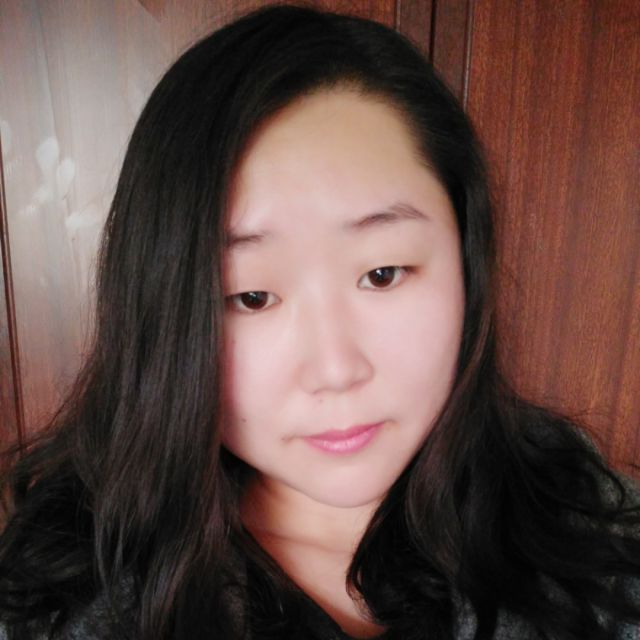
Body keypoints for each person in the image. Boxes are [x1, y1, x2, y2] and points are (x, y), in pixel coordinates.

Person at [0, 4, 639, 639]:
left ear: (467, 259)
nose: (335, 369)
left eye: (382, 274)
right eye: (252, 296)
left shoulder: (606, 549)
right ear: (163, 309)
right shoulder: (57, 602)